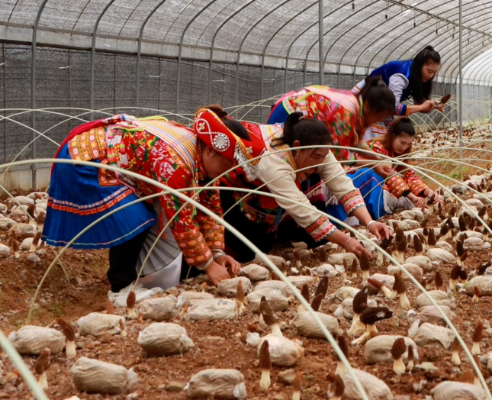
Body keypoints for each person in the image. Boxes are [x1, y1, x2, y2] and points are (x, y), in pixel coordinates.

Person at [43, 107, 256, 305]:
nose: (227, 173)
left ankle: (136, 276)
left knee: (143, 213)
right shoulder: (177, 163)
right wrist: (208, 265)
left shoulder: (202, 161)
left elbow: (210, 209)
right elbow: (181, 220)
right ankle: (120, 287)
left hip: (117, 163)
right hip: (86, 159)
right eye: (227, 165)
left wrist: (218, 253)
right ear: (210, 151)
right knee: (133, 216)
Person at [218, 113, 392, 263]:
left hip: (278, 191)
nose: (319, 161)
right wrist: (346, 241)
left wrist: (369, 222)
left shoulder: (319, 150)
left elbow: (342, 184)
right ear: (296, 147)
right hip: (239, 191)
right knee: (247, 250)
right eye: (315, 157)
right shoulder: (274, 162)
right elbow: (302, 209)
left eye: (322, 157)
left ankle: (285, 236)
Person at [327, 117, 442, 224]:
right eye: (402, 143)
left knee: (422, 199)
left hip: (384, 191)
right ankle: (375, 218)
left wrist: (427, 191)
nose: (404, 148)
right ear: (392, 136)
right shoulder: (375, 147)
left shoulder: (401, 155)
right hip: (360, 188)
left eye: (408, 144)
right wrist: (412, 196)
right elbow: (389, 175)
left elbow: (408, 175)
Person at [266, 78, 396, 172]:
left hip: (298, 116)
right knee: (284, 163)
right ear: (368, 106)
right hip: (288, 114)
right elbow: (336, 155)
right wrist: (373, 164)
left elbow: (356, 141)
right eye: (378, 117)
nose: (376, 122)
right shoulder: (346, 113)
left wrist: (379, 158)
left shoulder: (358, 107)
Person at [352, 46, 444, 140]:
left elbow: (412, 106)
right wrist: (421, 107)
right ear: (419, 65)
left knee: (386, 139)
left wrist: (431, 105)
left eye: (434, 72)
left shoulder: (416, 77)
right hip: (365, 99)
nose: (431, 75)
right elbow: (393, 107)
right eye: (429, 71)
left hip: (381, 106)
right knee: (366, 139)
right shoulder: (401, 75)